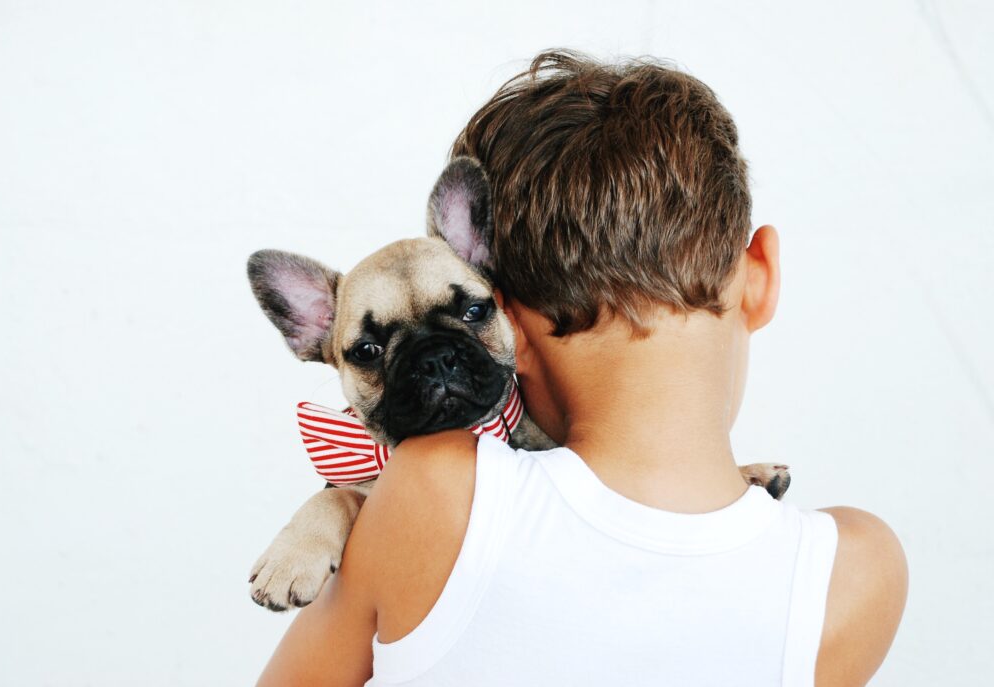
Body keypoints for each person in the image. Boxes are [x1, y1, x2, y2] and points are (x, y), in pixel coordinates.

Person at [257, 50, 907, 686]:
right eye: (372, 350)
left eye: (469, 314)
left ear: (508, 313)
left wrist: (350, 503)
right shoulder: (857, 570)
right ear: (761, 275)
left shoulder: (431, 488)